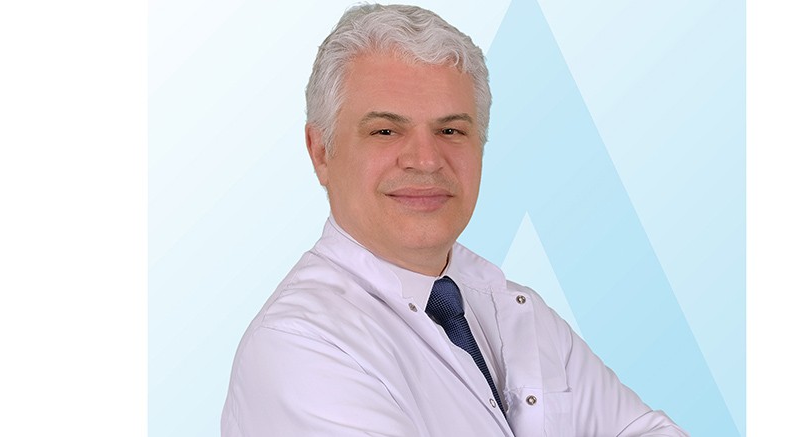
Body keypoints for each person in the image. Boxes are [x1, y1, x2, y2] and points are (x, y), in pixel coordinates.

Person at [222, 4, 687, 436]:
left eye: (450, 130)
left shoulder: (513, 309)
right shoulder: (299, 346)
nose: (426, 160)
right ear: (321, 151)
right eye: (386, 130)